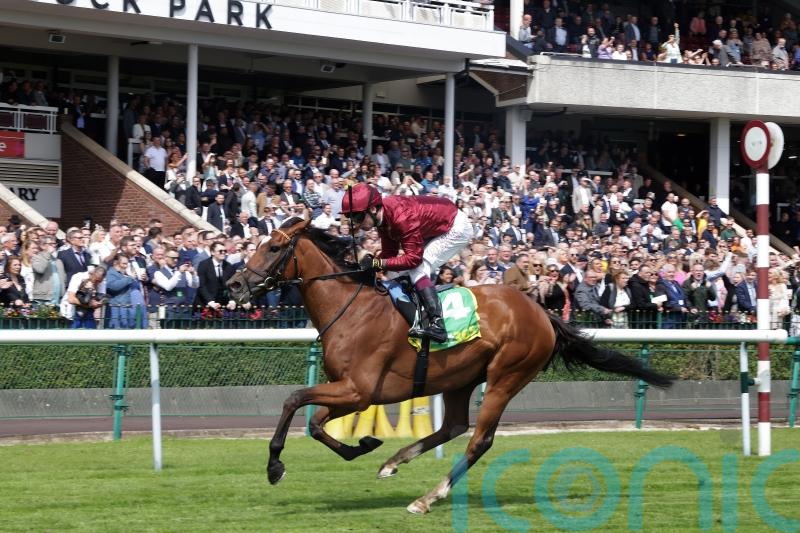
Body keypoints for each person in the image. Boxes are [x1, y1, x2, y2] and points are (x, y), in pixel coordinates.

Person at [341, 183, 473, 343]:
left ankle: (437, 324)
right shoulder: (382, 218)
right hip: (436, 226)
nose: (357, 223)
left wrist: (376, 264)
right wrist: (372, 267)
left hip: (456, 227)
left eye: (358, 217)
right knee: (391, 274)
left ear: (373, 209)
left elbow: (413, 259)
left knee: (419, 266)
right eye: (351, 218)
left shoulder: (400, 217)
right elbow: (390, 253)